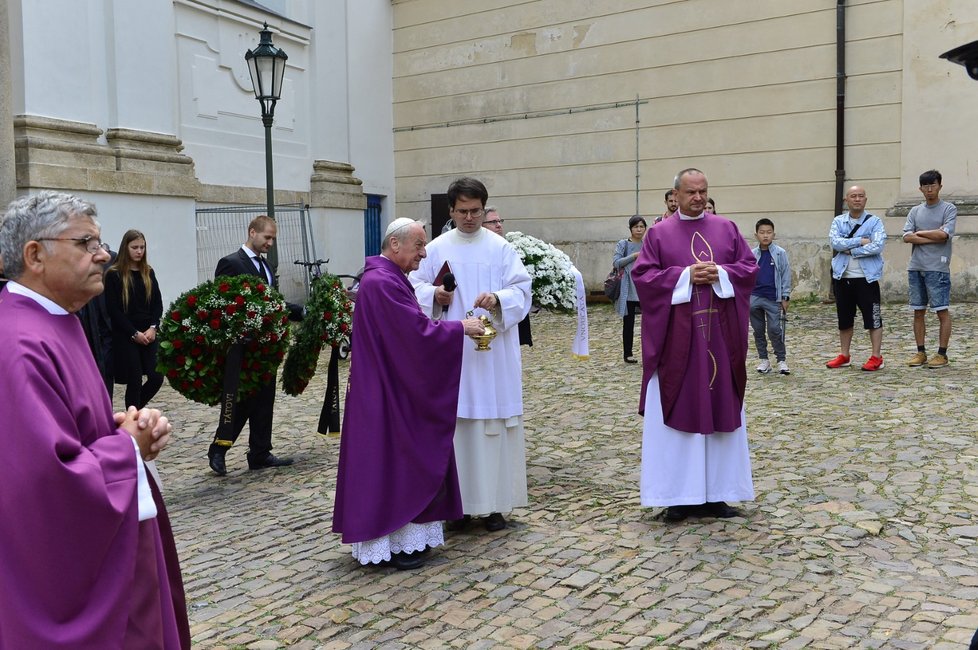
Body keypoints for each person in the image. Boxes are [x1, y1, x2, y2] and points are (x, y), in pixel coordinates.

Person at [0, 191, 190, 649]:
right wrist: (128, 448)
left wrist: (121, 425)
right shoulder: (18, 341)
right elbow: (45, 477)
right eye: (86, 243)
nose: (103, 255)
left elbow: (69, 423)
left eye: (100, 243)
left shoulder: (59, 318)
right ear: (35, 255)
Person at [333, 218, 485, 570]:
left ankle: (406, 539)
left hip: (391, 382)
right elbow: (413, 333)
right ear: (396, 245)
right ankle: (393, 540)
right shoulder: (381, 282)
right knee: (394, 459)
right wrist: (459, 327)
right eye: (418, 245)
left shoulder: (388, 278)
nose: (424, 253)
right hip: (386, 389)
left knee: (398, 458)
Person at [632, 168, 758, 523]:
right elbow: (643, 277)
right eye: (691, 192)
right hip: (678, 343)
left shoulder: (727, 229)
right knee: (680, 409)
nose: (698, 198)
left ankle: (718, 494)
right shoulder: (658, 234)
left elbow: (748, 269)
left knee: (720, 408)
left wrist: (723, 274)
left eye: (703, 191)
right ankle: (679, 496)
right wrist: (686, 276)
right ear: (675, 196)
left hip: (719, 338)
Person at [410, 177, 532, 533]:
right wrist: (435, 296)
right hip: (453, 354)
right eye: (462, 211)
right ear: (450, 210)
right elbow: (411, 287)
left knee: (493, 426)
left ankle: (495, 506)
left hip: (493, 356)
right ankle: (457, 507)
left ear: (485, 208)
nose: (469, 217)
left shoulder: (500, 249)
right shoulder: (434, 248)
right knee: (458, 427)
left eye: (476, 211)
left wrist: (498, 300)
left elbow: (522, 289)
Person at [207, 215, 302, 475]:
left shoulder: (266, 266)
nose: (270, 243)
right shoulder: (231, 263)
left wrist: (300, 312)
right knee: (241, 401)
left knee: (264, 400)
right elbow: (222, 302)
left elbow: (272, 301)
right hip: (241, 347)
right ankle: (219, 447)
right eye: (267, 237)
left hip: (265, 347)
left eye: (273, 239)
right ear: (252, 232)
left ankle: (260, 452)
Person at [826, 185, 887, 371]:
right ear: (847, 200)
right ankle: (844, 355)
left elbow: (878, 245)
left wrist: (849, 249)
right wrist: (860, 241)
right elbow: (835, 243)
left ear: (865, 199)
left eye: (861, 196)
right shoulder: (838, 221)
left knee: (873, 318)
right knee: (844, 319)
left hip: (866, 278)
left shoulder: (874, 221)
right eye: (853, 196)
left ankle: (876, 357)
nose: (857, 199)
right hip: (842, 277)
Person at [902, 169, 956, 369]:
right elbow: (907, 236)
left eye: (933, 185)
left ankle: (942, 354)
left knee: (941, 311)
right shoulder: (915, 211)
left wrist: (921, 233)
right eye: (926, 186)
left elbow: (944, 235)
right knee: (918, 311)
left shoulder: (948, 209)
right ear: (920, 188)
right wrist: (932, 234)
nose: (929, 189)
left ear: (940, 186)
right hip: (916, 267)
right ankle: (920, 352)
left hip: (938, 268)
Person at [105, 230, 164, 408]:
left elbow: (157, 304)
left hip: (148, 332)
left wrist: (153, 327)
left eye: (142, 247)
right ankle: (133, 418)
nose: (139, 251)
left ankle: (135, 410)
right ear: (126, 248)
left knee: (156, 377)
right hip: (126, 334)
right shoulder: (114, 274)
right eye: (135, 247)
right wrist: (133, 333)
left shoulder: (148, 272)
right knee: (135, 379)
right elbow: (113, 310)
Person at [483, 206, 534, 346]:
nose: (499, 225)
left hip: (508, 313)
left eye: (500, 221)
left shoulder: (508, 249)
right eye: (493, 222)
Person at [750, 218, 792, 375]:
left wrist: (785, 296)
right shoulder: (752, 254)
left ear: (774, 234)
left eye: (768, 232)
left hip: (773, 297)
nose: (765, 236)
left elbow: (785, 274)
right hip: (754, 296)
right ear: (756, 235)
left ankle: (781, 359)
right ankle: (764, 360)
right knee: (758, 330)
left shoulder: (780, 253)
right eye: (762, 233)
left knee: (775, 329)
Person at [614, 215, 647, 363]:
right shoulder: (623, 244)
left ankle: (650, 353)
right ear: (630, 229)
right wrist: (633, 256)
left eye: (641, 226)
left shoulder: (648, 244)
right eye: (636, 227)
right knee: (628, 324)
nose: (639, 230)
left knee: (649, 324)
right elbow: (616, 262)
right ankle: (627, 353)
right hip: (628, 290)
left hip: (644, 289)